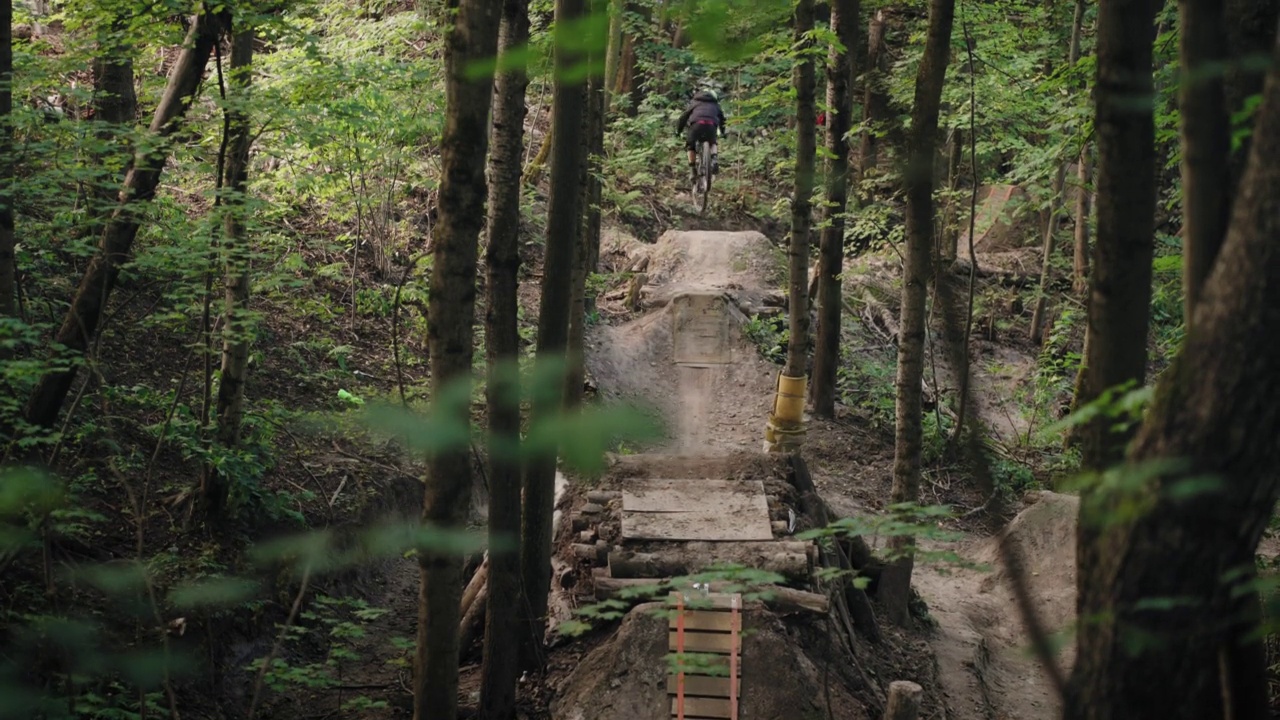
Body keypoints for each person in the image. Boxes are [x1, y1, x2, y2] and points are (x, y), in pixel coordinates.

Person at [675, 88, 726, 180]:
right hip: (711, 125)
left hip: (696, 125)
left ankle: (692, 169)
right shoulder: (715, 105)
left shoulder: (695, 103)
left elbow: (683, 117)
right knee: (713, 142)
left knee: (690, 146)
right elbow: (722, 119)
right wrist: (723, 132)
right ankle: (714, 158)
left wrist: (678, 131)